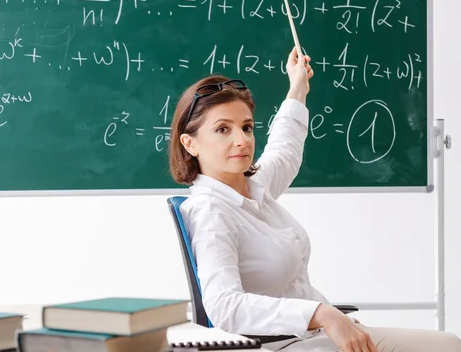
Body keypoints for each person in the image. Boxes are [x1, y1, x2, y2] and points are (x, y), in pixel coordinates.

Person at [168, 47, 461, 352]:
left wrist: (297, 87)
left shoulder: (253, 188)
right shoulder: (210, 212)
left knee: (449, 344)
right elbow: (225, 307)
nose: (241, 140)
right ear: (190, 144)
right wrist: (321, 314)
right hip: (282, 344)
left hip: (315, 334)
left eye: (246, 127)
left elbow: (285, 148)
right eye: (222, 129)